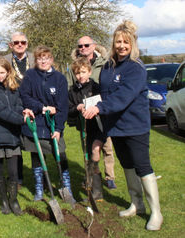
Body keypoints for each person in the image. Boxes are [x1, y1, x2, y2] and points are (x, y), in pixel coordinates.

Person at [83, 20, 163, 231]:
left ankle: (156, 212)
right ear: (113, 43)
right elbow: (105, 93)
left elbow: (123, 97)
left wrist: (99, 107)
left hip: (135, 126)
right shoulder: (108, 66)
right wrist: (91, 106)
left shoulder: (136, 68)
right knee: (127, 165)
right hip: (116, 126)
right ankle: (137, 204)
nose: (121, 46)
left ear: (132, 44)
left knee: (142, 166)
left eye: (125, 42)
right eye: (118, 41)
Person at [19, 45, 74, 202]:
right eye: (39, 58)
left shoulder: (60, 79)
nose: (43, 61)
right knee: (36, 157)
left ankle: (67, 189)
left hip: (52, 126)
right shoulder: (29, 76)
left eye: (46, 58)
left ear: (52, 59)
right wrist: (41, 108)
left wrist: (58, 128)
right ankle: (39, 189)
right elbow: (24, 96)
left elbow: (62, 106)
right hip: (35, 125)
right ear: (35, 60)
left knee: (60, 155)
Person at [0, 55, 34, 215]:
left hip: (11, 135)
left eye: (2, 72)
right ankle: (4, 201)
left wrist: (23, 112)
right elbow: (0, 111)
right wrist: (21, 120)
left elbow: (18, 105)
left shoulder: (13, 87)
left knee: (13, 172)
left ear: (8, 72)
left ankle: (13, 200)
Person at [67, 35, 117, 189]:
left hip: (101, 115)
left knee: (106, 147)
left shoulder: (104, 62)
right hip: (84, 117)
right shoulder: (73, 66)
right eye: (80, 46)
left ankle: (110, 177)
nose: (83, 48)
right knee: (88, 149)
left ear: (93, 46)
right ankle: (92, 176)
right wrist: (77, 107)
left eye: (86, 45)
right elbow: (70, 88)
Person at [67, 58, 105, 200]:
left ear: (89, 72)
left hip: (99, 126)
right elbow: (68, 109)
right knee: (88, 155)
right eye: (77, 73)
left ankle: (95, 186)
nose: (80, 75)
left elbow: (103, 103)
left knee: (95, 151)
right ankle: (93, 187)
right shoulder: (72, 91)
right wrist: (77, 107)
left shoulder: (96, 87)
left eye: (83, 72)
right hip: (85, 129)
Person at [4, 32, 35, 187]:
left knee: (36, 142)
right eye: (16, 42)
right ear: (11, 45)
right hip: (13, 105)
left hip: (33, 105)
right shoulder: (5, 61)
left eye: (23, 42)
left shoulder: (35, 59)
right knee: (15, 143)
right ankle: (17, 177)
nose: (20, 45)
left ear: (27, 44)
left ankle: (39, 179)